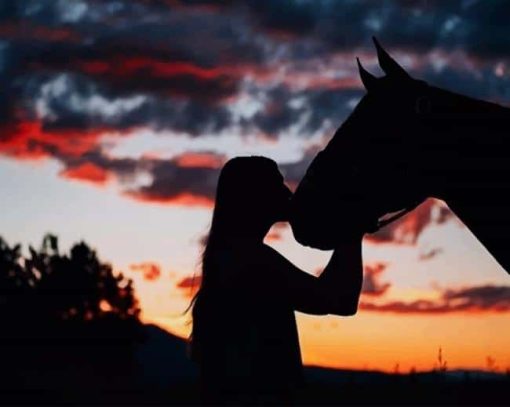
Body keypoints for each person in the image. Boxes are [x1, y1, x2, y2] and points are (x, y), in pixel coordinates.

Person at [188, 156, 364, 404]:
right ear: (254, 196)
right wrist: (353, 227)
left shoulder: (230, 259)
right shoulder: (253, 262)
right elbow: (339, 300)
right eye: (276, 184)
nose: (286, 191)